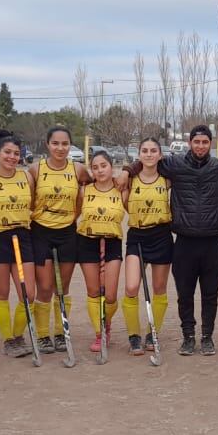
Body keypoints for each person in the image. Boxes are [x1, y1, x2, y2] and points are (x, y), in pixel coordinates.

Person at [127, 124, 218, 356]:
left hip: (212, 242)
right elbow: (149, 161)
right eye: (196, 142)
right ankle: (188, 337)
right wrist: (127, 170)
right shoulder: (174, 165)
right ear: (190, 143)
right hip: (185, 242)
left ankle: (207, 337)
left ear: (211, 144)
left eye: (205, 142)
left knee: (210, 294)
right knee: (184, 295)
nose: (200, 146)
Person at [29, 125, 89, 354]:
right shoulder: (35, 170)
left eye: (65, 144)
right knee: (44, 287)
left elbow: (97, 187)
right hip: (41, 232)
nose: (60, 148)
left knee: (61, 288)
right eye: (55, 143)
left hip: (67, 232)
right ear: (47, 144)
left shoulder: (79, 170)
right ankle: (43, 334)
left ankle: (60, 332)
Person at [0, 130, 37, 358]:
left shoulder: (26, 177)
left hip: (22, 237)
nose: (12, 157)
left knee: (28, 293)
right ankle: (8, 339)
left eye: (16, 153)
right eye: (7, 152)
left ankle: (18, 334)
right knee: (2, 292)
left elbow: (33, 204)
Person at [122, 137, 172, 354]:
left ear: (160, 155)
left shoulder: (168, 179)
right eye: (145, 150)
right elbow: (125, 204)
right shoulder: (130, 180)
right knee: (132, 287)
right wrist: (126, 169)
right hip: (137, 236)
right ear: (139, 154)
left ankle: (153, 333)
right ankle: (134, 335)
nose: (149, 154)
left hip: (161, 235)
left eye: (153, 151)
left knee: (159, 288)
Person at [78, 150, 125, 354]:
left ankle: (107, 322)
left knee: (111, 295)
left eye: (103, 165)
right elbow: (73, 214)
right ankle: (99, 333)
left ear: (111, 166)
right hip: (87, 241)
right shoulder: (84, 191)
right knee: (94, 291)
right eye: (95, 167)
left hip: (112, 242)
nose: (99, 170)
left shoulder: (121, 190)